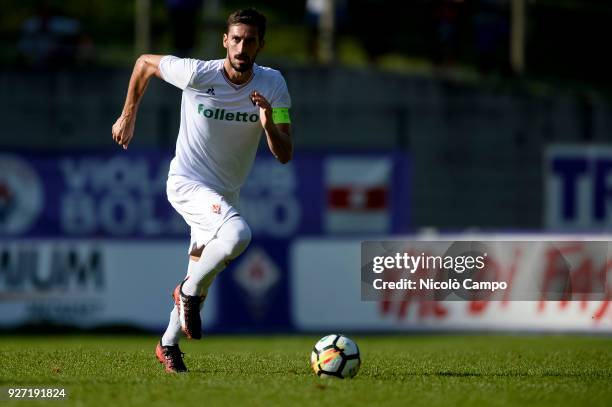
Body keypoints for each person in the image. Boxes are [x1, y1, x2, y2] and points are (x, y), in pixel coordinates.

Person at [111, 8, 292, 373]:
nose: (242, 47)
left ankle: (167, 345)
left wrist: (270, 124)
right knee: (238, 234)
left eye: (250, 41)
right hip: (187, 184)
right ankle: (186, 292)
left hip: (225, 194)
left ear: (261, 45)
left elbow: (284, 153)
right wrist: (128, 115)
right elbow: (144, 63)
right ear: (225, 40)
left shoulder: (274, 85)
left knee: (201, 273)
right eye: (236, 39)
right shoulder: (197, 73)